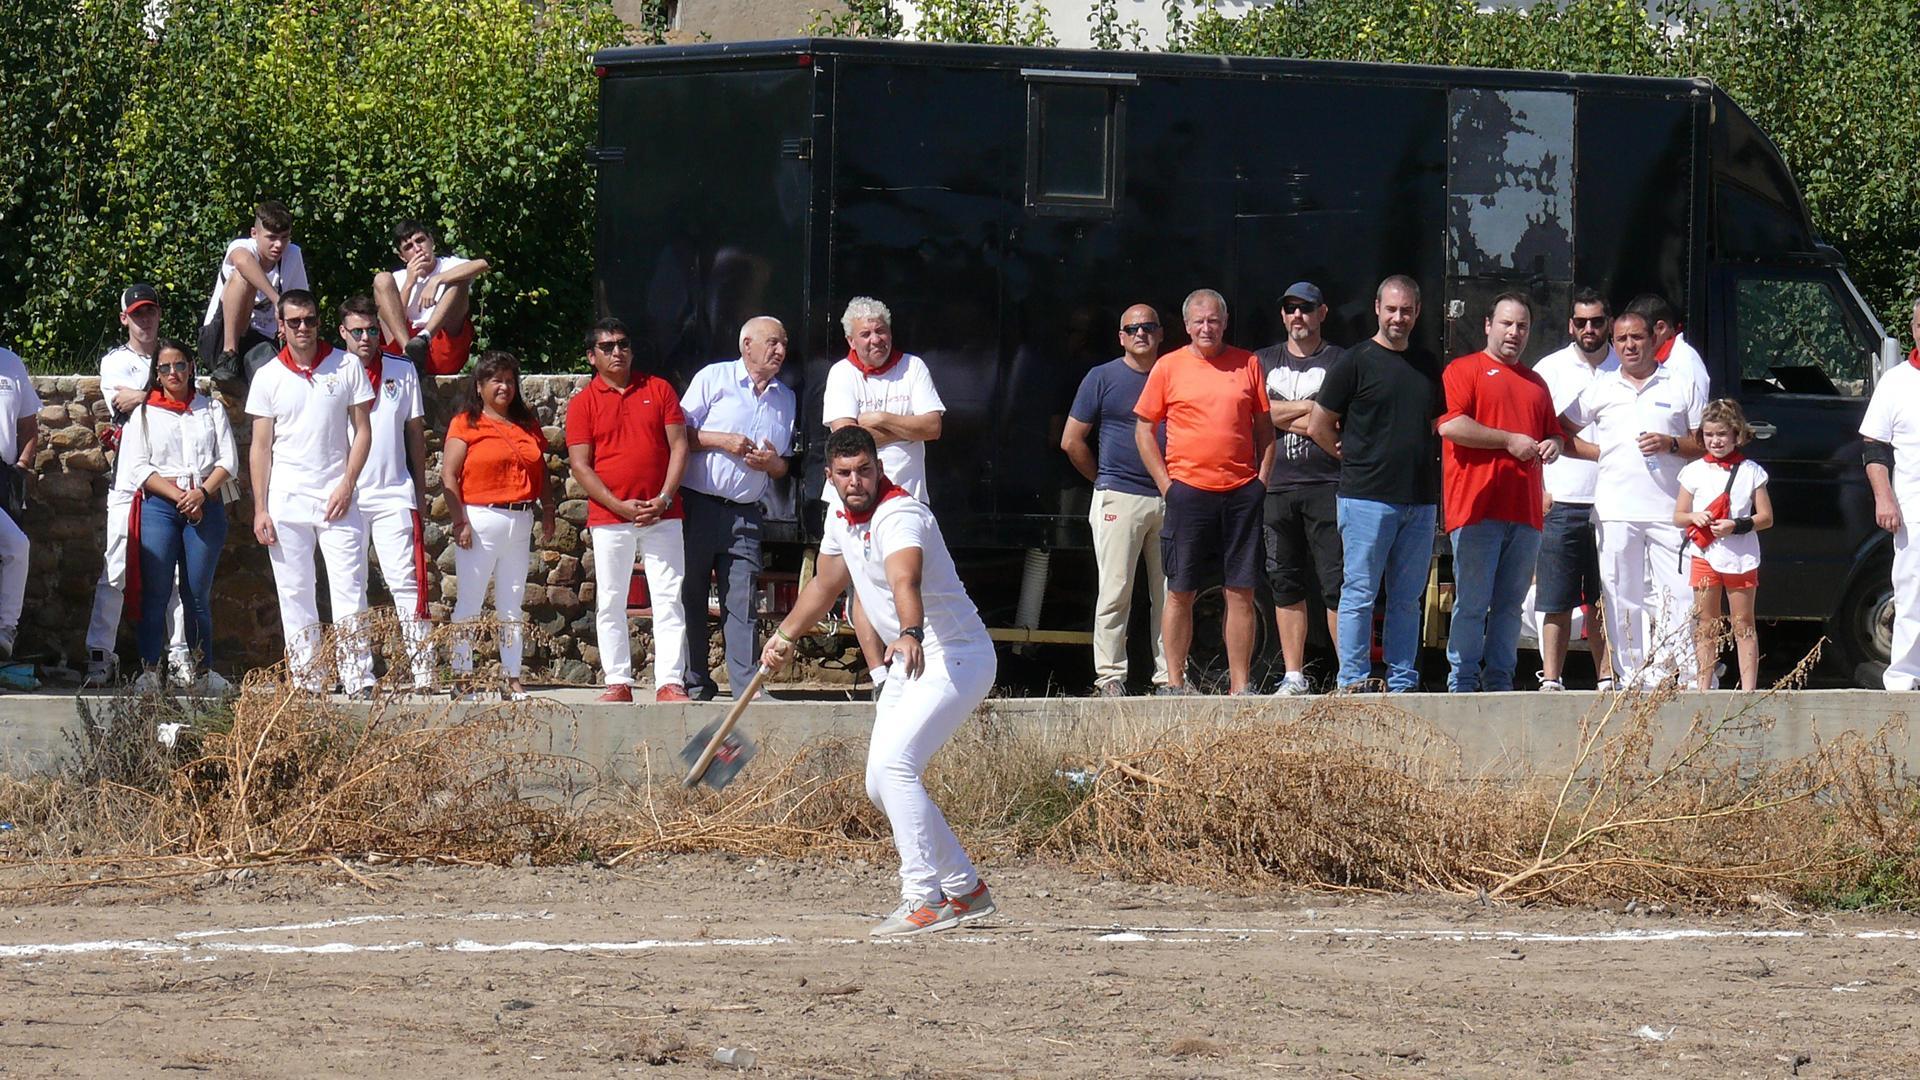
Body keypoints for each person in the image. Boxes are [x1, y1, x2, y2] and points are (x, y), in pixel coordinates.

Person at [760, 425, 998, 937]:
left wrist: (909, 631)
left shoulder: (900, 515)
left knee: (894, 769)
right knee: (880, 783)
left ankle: (924, 897)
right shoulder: (839, 517)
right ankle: (965, 888)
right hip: (911, 661)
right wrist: (784, 636)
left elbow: (903, 578)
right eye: (845, 473)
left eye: (865, 470)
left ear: (879, 469)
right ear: (830, 477)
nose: (856, 481)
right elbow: (825, 584)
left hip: (954, 655)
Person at [1133, 288, 1273, 695]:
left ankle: (1240, 686)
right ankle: (1175, 683)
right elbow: (1143, 430)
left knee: (1241, 591)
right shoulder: (1168, 366)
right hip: (1188, 494)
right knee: (1180, 591)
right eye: (1199, 321)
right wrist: (1167, 486)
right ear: (1187, 326)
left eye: (1213, 320)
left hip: (1241, 493)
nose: (1207, 327)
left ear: (1225, 322)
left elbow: (1265, 431)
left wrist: (1261, 482)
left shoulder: (1248, 363)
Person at [1309, 275, 1443, 692]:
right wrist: (1349, 456)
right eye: (1392, 309)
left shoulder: (1426, 365)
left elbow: (1435, 424)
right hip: (1366, 499)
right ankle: (1352, 680)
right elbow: (1318, 424)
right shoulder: (1355, 361)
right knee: (1360, 593)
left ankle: (1402, 682)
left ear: (1417, 313)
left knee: (1407, 599)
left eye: (1406, 310)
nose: (1398, 318)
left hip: (1419, 501)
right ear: (1377, 309)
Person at [1559, 310, 1705, 689]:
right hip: (1616, 510)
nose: (1629, 346)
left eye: (1637, 337)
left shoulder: (1680, 382)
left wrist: (1671, 444)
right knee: (1622, 596)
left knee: (1679, 595)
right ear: (1614, 342)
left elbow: (1703, 442)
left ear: (1653, 339)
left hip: (1670, 510)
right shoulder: (1602, 386)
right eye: (1621, 339)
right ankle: (1634, 679)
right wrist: (1600, 453)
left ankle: (1684, 677)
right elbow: (1560, 431)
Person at [245, 289, 376, 695]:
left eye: (311, 320)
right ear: (280, 327)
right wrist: (260, 508)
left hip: (339, 496)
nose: (304, 328)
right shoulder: (267, 375)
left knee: (350, 586)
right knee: (295, 592)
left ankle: (358, 678)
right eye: (295, 321)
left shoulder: (347, 365)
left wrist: (348, 483)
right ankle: (308, 680)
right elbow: (260, 447)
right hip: (287, 500)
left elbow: (363, 432)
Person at [1436, 293, 1562, 692]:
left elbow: (1553, 433)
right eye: (1506, 323)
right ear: (1488, 325)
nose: (1514, 333)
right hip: (1477, 509)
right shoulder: (1463, 370)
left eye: (1522, 326)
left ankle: (1499, 684)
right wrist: (1508, 440)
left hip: (1525, 513)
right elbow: (1450, 425)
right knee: (1472, 604)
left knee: (1510, 607)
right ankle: (1462, 683)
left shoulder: (1536, 384)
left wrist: (1553, 444)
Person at [564, 319, 690, 703]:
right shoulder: (583, 403)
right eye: (607, 347)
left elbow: (680, 447)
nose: (617, 352)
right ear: (592, 356)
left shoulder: (659, 389)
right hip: (611, 517)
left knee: (668, 598)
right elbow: (580, 465)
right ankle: (617, 682)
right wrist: (618, 505)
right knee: (611, 600)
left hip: (662, 514)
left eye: (623, 344)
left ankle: (670, 682)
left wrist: (663, 499)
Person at [822, 297, 945, 690]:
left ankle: (913, 665)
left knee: (908, 582)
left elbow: (933, 428)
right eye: (866, 334)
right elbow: (845, 439)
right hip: (854, 501)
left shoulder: (913, 367)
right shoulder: (841, 374)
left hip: (906, 500)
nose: (875, 339)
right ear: (851, 340)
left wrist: (880, 420)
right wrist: (907, 428)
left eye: (881, 331)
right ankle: (879, 677)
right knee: (863, 586)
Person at [678, 316, 796, 700]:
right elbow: (677, 435)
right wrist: (721, 440)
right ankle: (695, 682)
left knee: (743, 602)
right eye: (772, 342)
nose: (780, 350)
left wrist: (772, 463)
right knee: (691, 595)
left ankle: (747, 689)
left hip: (746, 511)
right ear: (747, 345)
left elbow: (784, 465)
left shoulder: (786, 398)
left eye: (783, 343)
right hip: (698, 505)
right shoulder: (713, 379)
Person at [83, 284, 191, 687]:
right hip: (129, 480)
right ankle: (100, 654)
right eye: (137, 314)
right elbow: (123, 403)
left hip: (170, 478)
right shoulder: (117, 362)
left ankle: (180, 654)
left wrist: (146, 395)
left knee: (176, 573)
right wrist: (164, 392)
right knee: (115, 566)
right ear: (124, 319)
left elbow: (177, 400)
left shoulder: (171, 356)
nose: (145, 320)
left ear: (159, 314)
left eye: (150, 312)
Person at [1062, 303, 1170, 697]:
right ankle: (1109, 677)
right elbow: (1071, 440)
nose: (1141, 333)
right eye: (1133, 328)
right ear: (1121, 337)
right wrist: (1103, 481)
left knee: (1171, 595)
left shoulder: (1174, 373)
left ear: (1160, 334)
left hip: (1170, 496)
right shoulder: (1101, 377)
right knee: (1115, 590)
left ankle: (1170, 676)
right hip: (1118, 496)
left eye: (1149, 327)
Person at [117, 340, 237, 693]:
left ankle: (203, 670)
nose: (174, 373)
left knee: (196, 592)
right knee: (155, 591)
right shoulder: (145, 413)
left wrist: (201, 494)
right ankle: (149, 670)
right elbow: (139, 467)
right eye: (166, 367)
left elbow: (228, 460)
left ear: (191, 368)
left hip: (204, 504)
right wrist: (179, 496)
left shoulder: (210, 408)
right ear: (157, 373)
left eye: (180, 365)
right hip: (161, 504)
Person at [445, 351, 556, 699]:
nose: (504, 386)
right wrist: (460, 521)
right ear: (479, 386)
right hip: (480, 517)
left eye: (509, 380)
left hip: (520, 518)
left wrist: (549, 509)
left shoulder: (526, 424)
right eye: (496, 380)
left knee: (512, 602)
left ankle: (512, 677)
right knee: (470, 602)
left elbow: (541, 470)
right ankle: (462, 676)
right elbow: (449, 474)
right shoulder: (466, 422)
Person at [338, 295, 434, 691]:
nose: (365, 338)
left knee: (407, 582)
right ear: (342, 333)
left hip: (393, 491)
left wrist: (420, 491)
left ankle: (425, 673)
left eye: (372, 330)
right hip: (345, 496)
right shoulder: (332, 372)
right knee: (350, 586)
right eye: (357, 331)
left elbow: (415, 434)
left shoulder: (401, 368)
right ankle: (357, 676)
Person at [1254, 282, 1345, 695]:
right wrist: (1312, 410)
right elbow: (1256, 414)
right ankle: (1294, 675)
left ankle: (1349, 676)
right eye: (1290, 308)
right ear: (1282, 315)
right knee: (1284, 581)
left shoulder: (1341, 361)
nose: (1297, 316)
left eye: (1306, 308)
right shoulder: (1261, 361)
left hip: (1329, 486)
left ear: (1322, 313)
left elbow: (1341, 419)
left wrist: (1283, 415)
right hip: (1276, 486)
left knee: (1337, 584)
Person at [1530, 289, 1617, 691]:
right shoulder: (1549, 369)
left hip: (1613, 501)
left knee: (1605, 598)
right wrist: (1539, 490)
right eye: (1581, 322)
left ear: (1608, 323)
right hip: (1561, 498)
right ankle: (1551, 678)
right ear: (1570, 325)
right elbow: (1536, 433)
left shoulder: (1625, 366)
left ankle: (1607, 678)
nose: (1589, 329)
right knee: (1556, 597)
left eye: (1596, 321)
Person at [1676, 399, 1772, 691]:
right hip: (1704, 555)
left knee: (1743, 623)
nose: (1715, 441)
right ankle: (1703, 688)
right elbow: (1679, 516)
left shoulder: (1751, 471)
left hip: (1741, 557)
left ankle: (1748, 690)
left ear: (1736, 435)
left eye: (1722, 434)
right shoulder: (1693, 471)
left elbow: (1766, 517)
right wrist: (1695, 516)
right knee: (1706, 624)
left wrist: (1736, 525)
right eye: (1709, 434)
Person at [1860, 299, 1920, 691]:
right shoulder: (1896, 382)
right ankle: (1904, 679)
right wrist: (1884, 497)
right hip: (1914, 506)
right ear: (1913, 328)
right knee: (1912, 593)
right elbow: (1874, 446)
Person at [200, 200, 308, 377]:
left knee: (272, 373)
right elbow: (243, 262)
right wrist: (277, 300)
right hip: (218, 338)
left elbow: (301, 301)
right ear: (254, 233)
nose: (279, 245)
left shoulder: (293, 254)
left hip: (261, 340)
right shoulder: (241, 247)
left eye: (284, 237)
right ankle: (229, 357)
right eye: (271, 238)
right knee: (244, 276)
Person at [372, 219, 489, 376]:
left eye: (420, 240)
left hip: (443, 345)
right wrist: (409, 284)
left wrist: (437, 280)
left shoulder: (449, 265)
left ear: (431, 240)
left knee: (459, 278)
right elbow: (394, 319)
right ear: (402, 257)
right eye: (408, 247)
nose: (417, 249)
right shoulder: (398, 278)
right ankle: (411, 353)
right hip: (403, 346)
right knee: (382, 279)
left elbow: (482, 264)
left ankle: (424, 338)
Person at [0, 343, 41, 661]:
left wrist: (22, 466)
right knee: (15, 545)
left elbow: (28, 427)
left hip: (5, 476)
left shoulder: (11, 362)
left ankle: (4, 631)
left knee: (15, 548)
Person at [1625, 293, 1711, 401]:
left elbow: (1698, 410)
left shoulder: (1685, 362)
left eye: (1638, 335)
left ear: (1661, 328)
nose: (1630, 344)